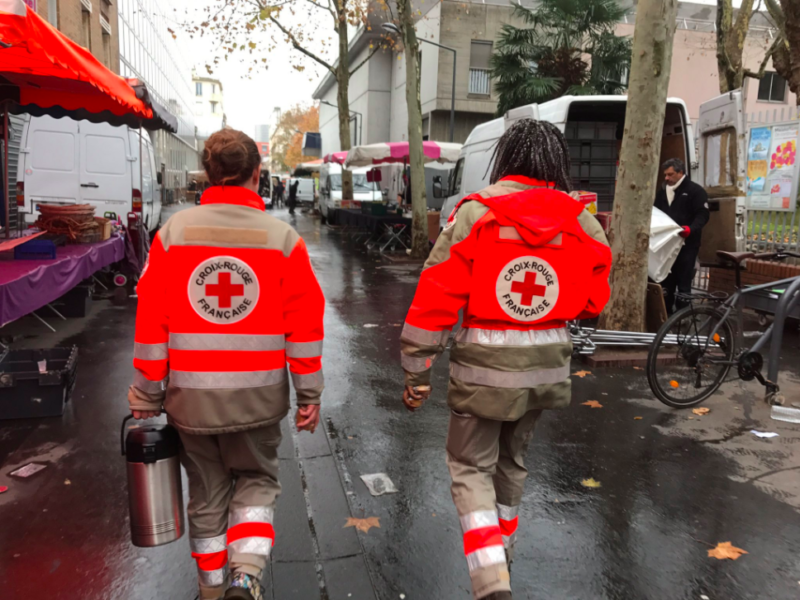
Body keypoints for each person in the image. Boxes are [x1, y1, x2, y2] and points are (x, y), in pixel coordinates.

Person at [400, 119, 612, 600]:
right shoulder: (581, 221)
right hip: (545, 371)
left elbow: (436, 297)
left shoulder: (476, 213)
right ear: (555, 163)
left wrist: (416, 369)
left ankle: (490, 578)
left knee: (470, 467)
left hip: (481, 374)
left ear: (506, 159)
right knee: (513, 463)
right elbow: (593, 300)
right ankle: (505, 555)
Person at [128, 129, 325, 600]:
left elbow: (151, 324)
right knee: (256, 483)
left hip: (191, 404)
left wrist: (146, 395)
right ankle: (246, 575)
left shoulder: (174, 234)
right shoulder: (282, 240)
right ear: (258, 174)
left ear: (206, 174)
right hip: (256, 401)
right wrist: (309, 395)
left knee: (207, 493)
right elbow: (305, 327)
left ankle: (212, 588)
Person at [654, 158, 710, 313]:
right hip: (666, 245)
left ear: (681, 173)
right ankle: (665, 316)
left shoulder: (695, 191)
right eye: (665, 175)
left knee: (684, 283)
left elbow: (702, 214)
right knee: (666, 281)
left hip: (687, 245)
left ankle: (682, 317)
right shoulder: (662, 192)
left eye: (670, 174)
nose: (666, 178)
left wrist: (690, 229)